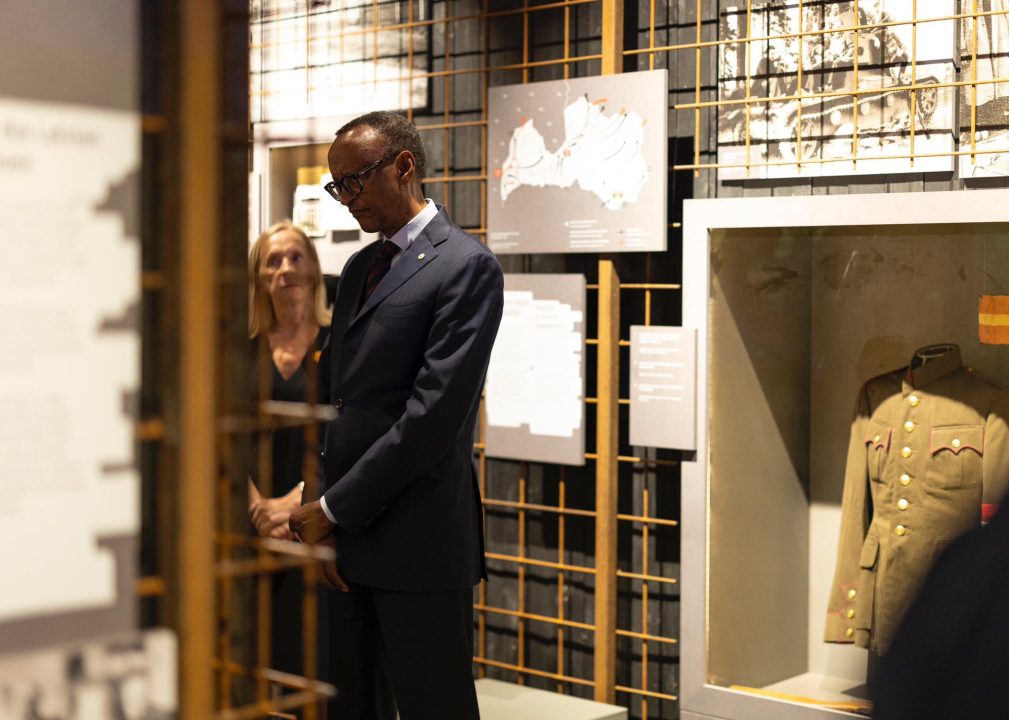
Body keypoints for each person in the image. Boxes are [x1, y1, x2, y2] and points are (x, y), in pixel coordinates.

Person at [289, 111, 504, 720]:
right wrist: (325, 514)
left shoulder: (466, 266)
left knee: (433, 705)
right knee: (351, 705)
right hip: (348, 538)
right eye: (337, 187)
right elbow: (336, 400)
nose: (346, 199)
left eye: (354, 181)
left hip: (418, 541)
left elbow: (432, 417)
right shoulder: (360, 268)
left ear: (403, 166)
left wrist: (332, 509)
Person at [247, 220, 332, 683]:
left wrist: (299, 501)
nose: (286, 269)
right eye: (273, 261)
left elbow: (349, 436)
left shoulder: (338, 345)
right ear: (259, 278)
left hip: (318, 525)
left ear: (314, 270)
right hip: (251, 531)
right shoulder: (242, 350)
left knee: (313, 666)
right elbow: (224, 438)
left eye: (296, 257)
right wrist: (256, 506)